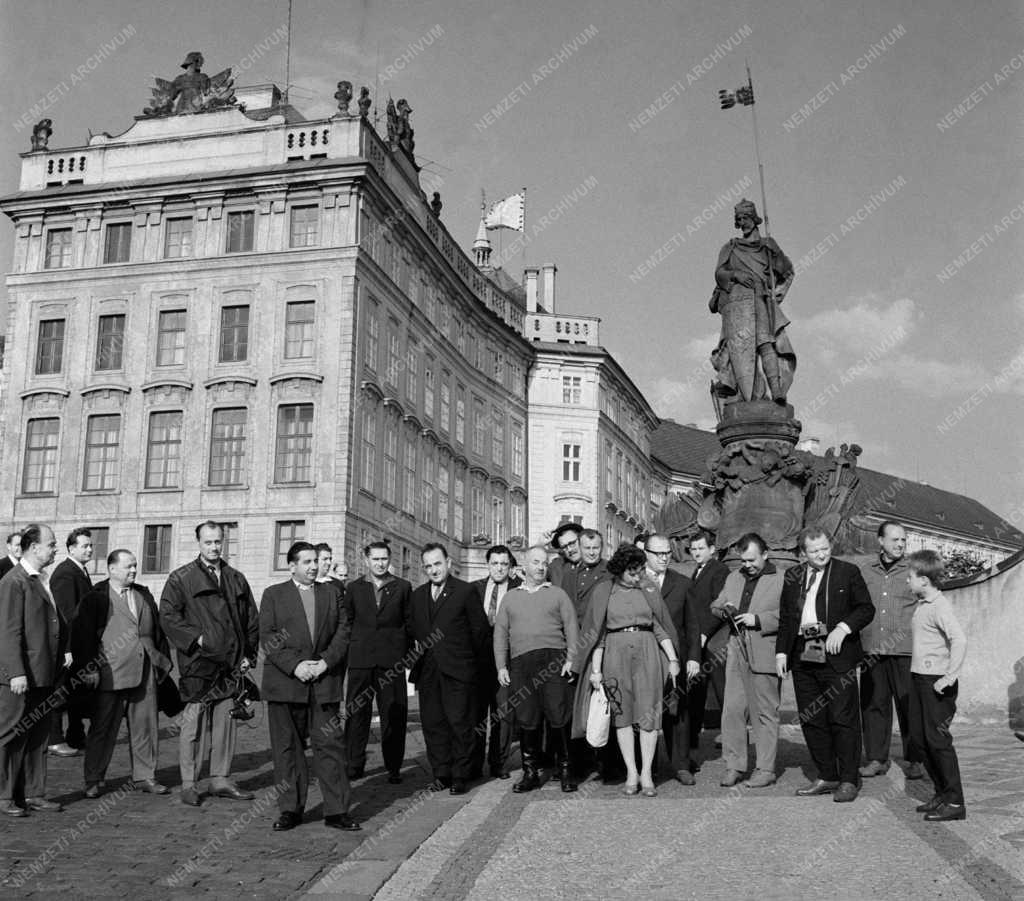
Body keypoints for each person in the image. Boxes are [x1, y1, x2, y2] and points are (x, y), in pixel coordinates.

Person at [260, 542, 359, 832]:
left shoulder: (332, 593)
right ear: (291, 566)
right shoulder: (274, 595)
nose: (314, 566)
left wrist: (325, 663)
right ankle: (290, 809)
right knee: (287, 749)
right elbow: (268, 636)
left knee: (330, 746)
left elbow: (343, 632)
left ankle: (337, 810)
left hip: (324, 682)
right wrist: (296, 666)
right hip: (286, 684)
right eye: (306, 562)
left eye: (315, 561)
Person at [160, 521, 259, 807]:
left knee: (226, 724)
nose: (214, 547)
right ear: (198, 543)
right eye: (208, 542)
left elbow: (252, 620)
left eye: (218, 542)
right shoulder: (181, 578)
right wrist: (197, 639)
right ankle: (189, 783)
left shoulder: (236, 578)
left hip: (231, 664)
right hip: (198, 664)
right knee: (193, 726)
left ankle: (220, 778)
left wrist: (248, 655)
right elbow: (167, 615)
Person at [573, 544, 681, 797]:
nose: (638, 576)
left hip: (647, 654)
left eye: (640, 570)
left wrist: (673, 659)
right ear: (620, 570)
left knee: (649, 716)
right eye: (633, 572)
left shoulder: (648, 589)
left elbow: (659, 626)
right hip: (615, 656)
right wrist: (596, 671)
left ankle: (646, 774)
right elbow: (598, 634)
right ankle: (631, 772)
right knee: (621, 718)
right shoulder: (604, 591)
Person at [776, 527, 875, 802]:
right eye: (814, 551)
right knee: (812, 718)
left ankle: (848, 779)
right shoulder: (793, 576)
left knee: (843, 718)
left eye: (825, 548)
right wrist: (781, 653)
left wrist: (843, 628)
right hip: (803, 654)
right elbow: (786, 617)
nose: (821, 554)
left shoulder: (847, 572)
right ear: (802, 554)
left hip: (837, 655)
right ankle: (827, 774)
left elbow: (866, 609)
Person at [73, 550, 172, 797]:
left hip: (145, 672)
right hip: (110, 674)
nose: (133, 570)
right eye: (128, 566)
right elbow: (82, 636)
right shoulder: (95, 598)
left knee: (146, 727)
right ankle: (94, 779)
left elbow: (156, 631)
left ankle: (145, 776)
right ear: (112, 569)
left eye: (135, 566)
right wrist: (90, 667)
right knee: (103, 729)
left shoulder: (143, 595)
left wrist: (162, 662)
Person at [494, 545, 579, 792]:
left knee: (558, 715)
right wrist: (501, 666)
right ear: (524, 566)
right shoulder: (511, 597)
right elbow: (500, 634)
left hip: (554, 659)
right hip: (521, 663)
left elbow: (572, 627)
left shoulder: (558, 594)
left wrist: (571, 659)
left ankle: (565, 770)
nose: (541, 567)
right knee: (527, 718)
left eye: (544, 563)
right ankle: (530, 773)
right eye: (536, 562)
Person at [408, 543, 488, 794]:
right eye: (428, 566)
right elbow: (413, 630)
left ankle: (461, 775)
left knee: (460, 723)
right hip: (429, 670)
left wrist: (472, 667)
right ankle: (441, 773)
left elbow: (480, 632)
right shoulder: (418, 595)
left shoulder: (465, 591)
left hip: (459, 670)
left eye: (437, 564)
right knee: (433, 724)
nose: (434, 570)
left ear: (449, 563)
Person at [0, 524, 65, 816]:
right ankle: (4, 797)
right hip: (21, 676)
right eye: (51, 544)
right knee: (10, 734)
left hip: (42, 674)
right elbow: (8, 631)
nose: (55, 549)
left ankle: (33, 793)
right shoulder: (14, 581)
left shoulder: (39, 579)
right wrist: (15, 672)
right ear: (34, 547)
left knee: (38, 735)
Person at [710, 533, 784, 789]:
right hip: (736, 646)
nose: (747, 565)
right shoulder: (734, 576)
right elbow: (716, 605)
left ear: (765, 554)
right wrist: (724, 609)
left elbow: (792, 614)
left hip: (765, 647)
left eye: (752, 559)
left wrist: (760, 620)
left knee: (764, 712)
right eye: (743, 560)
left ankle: (765, 769)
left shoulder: (782, 578)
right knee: (732, 709)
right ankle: (734, 765)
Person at [856, 522, 925, 780]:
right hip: (872, 649)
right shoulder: (865, 572)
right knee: (874, 705)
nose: (900, 545)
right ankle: (876, 758)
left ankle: (916, 759)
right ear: (880, 541)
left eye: (903, 540)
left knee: (910, 707)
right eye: (895, 540)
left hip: (905, 650)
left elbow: (927, 604)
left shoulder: (914, 571)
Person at [708, 198, 796, 404]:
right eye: (739, 218)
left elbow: (786, 271)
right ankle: (749, 393)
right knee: (741, 348)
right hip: (738, 304)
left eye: (746, 217)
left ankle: (777, 391)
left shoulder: (767, 246)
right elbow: (720, 272)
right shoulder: (730, 247)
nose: (742, 222)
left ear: (754, 219)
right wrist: (736, 275)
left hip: (760, 299)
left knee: (766, 344)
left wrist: (776, 253)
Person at [343, 540, 413, 783]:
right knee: (356, 714)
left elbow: (409, 623)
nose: (381, 563)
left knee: (393, 715)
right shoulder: (354, 588)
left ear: (389, 560)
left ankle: (393, 766)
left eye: (384, 559)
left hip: (391, 662)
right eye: (376, 559)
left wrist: (406, 657)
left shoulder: (403, 587)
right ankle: (353, 763)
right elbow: (348, 622)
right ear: (366, 560)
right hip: (361, 661)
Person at [906, 550, 968, 821]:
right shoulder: (923, 604)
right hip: (920, 679)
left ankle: (955, 802)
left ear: (923, 579)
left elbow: (960, 640)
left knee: (938, 741)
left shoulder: (940, 606)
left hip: (937, 685)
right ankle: (942, 793)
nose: (907, 581)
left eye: (910, 577)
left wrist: (949, 677)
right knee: (920, 740)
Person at [645, 533, 699, 785]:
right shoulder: (635, 581)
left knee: (677, 712)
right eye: (658, 553)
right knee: (645, 712)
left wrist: (694, 658)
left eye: (667, 552)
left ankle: (680, 764)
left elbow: (693, 624)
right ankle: (649, 767)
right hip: (645, 658)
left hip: (677, 658)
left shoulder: (682, 583)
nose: (664, 558)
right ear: (646, 553)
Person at [471, 544, 521, 780]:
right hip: (479, 661)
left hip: (507, 660)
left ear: (510, 566)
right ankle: (475, 762)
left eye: (504, 564)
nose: (499, 568)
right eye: (495, 563)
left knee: (503, 713)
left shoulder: (519, 589)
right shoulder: (474, 590)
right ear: (487, 564)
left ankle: (498, 762)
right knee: (476, 713)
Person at [47, 528, 94, 757]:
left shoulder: (80, 571)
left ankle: (76, 735)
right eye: (84, 546)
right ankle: (54, 738)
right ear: (71, 548)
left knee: (75, 690)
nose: (89, 549)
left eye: (90, 545)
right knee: (60, 691)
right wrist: (68, 648)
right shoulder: (66, 573)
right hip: (68, 645)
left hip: (79, 643)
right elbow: (67, 615)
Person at [684, 530, 730, 751]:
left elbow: (719, 605)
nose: (696, 553)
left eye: (701, 548)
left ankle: (731, 736)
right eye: (693, 549)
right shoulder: (698, 571)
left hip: (715, 640)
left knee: (723, 689)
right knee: (696, 688)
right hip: (699, 640)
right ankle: (692, 737)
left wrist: (704, 633)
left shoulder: (719, 570)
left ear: (712, 549)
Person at [574, 530, 609, 622]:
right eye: (587, 548)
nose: (591, 553)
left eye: (595, 548)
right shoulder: (569, 573)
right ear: (579, 548)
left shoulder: (611, 572)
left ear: (601, 548)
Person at [546, 522, 584, 600]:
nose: (569, 549)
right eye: (564, 547)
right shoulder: (556, 567)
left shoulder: (600, 567)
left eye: (572, 543)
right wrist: (540, 545)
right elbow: (533, 575)